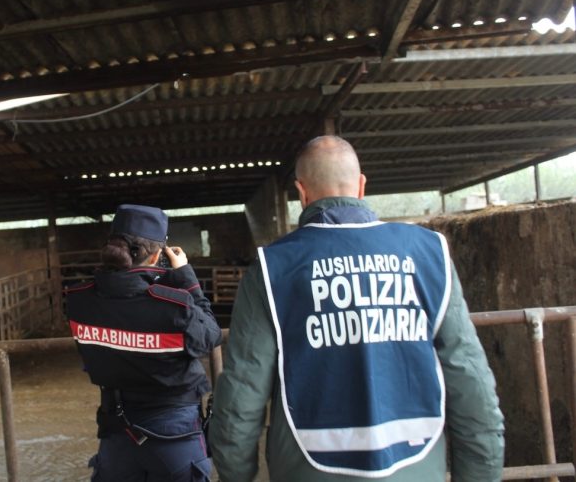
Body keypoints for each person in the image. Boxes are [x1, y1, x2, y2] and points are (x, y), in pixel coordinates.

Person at [209, 136, 504, 481]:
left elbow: (241, 397)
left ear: (301, 192)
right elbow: (471, 383)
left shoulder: (272, 268)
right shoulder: (429, 254)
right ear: (362, 186)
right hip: (416, 468)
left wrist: (236, 476)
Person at [66, 203, 222, 482]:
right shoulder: (173, 306)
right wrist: (186, 278)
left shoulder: (79, 300)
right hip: (175, 436)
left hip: (117, 434)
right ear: (156, 256)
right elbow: (210, 334)